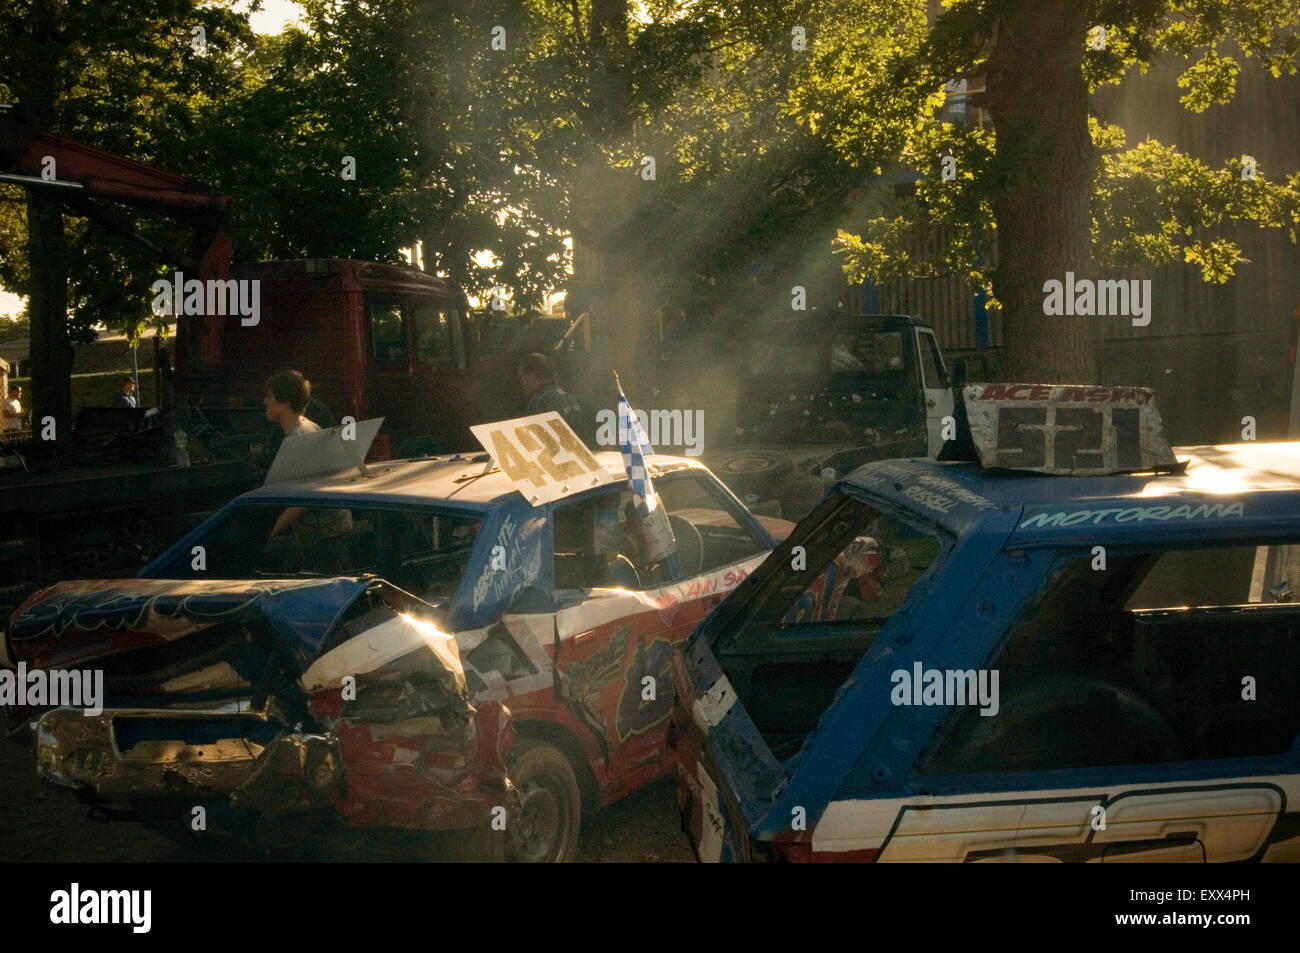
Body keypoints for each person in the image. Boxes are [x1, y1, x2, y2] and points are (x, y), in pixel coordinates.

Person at [260, 369, 352, 571]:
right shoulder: (307, 428)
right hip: (322, 533)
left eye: (269, 397)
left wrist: (270, 531)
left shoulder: (300, 439)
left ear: (284, 402)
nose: (265, 402)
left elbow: (305, 500)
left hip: (323, 537)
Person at [517, 352, 588, 440]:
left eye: (522, 377)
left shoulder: (539, 402)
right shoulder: (570, 399)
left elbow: (536, 441)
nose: (522, 382)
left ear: (532, 376)